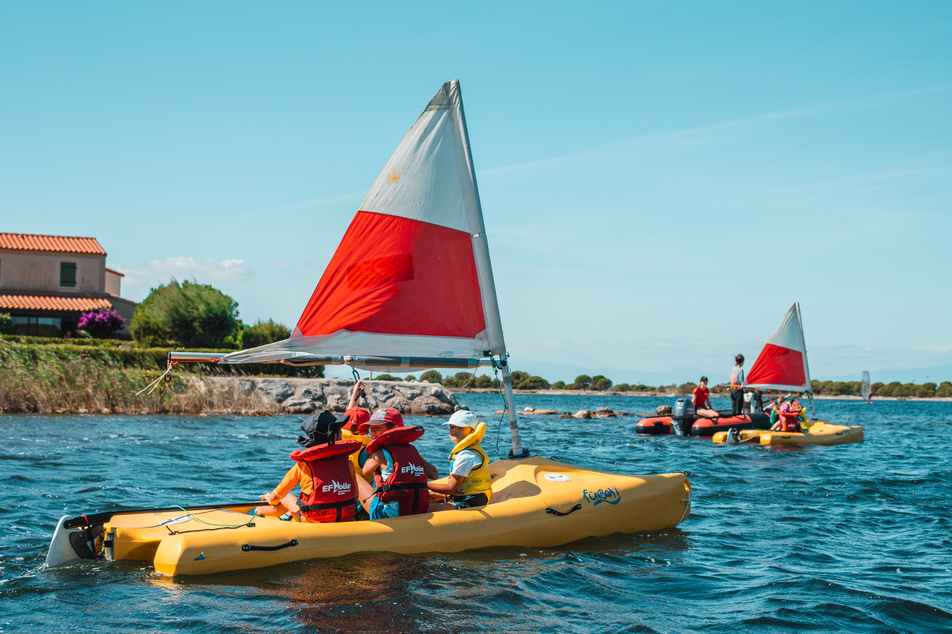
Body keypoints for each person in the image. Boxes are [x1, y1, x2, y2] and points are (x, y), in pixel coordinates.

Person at [253, 410, 362, 523]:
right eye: (340, 432)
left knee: (288, 498)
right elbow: (355, 496)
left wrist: (270, 498)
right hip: (345, 518)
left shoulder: (303, 466)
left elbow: (275, 499)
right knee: (299, 501)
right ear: (335, 436)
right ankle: (285, 514)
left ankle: (259, 511)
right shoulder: (348, 464)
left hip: (312, 521)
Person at [354, 407, 439, 520]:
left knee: (355, 476)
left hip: (387, 514)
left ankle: (354, 513)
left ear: (395, 429)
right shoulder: (412, 450)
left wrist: (372, 451)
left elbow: (366, 471)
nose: (372, 432)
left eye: (377, 427)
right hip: (416, 509)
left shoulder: (379, 454)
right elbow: (435, 474)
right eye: (371, 428)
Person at [427, 410, 494, 511]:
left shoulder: (466, 455)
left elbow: (451, 489)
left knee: (421, 509)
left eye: (461, 427)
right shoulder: (465, 451)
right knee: (422, 499)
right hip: (464, 497)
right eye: (452, 427)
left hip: (470, 501)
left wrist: (423, 485)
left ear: (472, 432)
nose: (455, 430)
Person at [341, 380, 373, 484]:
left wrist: (355, 394)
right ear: (368, 428)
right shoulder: (371, 445)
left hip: (341, 487)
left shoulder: (339, 436)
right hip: (363, 491)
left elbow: (349, 419)